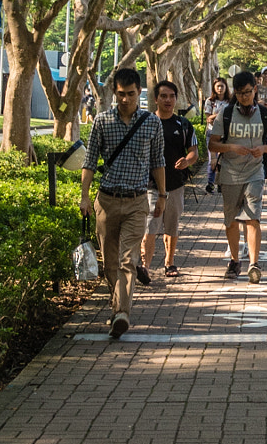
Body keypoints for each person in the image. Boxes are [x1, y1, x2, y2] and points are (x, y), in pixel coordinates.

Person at [79, 66, 166, 338]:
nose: (125, 99)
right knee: (110, 263)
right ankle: (116, 306)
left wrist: (162, 195)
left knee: (128, 260)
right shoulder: (102, 121)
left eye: (130, 94)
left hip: (137, 201)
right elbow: (90, 161)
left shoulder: (152, 122)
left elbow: (158, 162)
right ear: (113, 93)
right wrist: (84, 195)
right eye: (120, 94)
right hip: (106, 200)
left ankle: (122, 314)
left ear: (139, 91)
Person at [209, 70, 267, 282]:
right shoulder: (226, 114)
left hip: (254, 173)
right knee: (231, 221)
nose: (244, 97)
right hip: (229, 174)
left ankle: (254, 264)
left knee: (253, 218)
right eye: (239, 93)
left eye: (247, 92)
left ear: (254, 90)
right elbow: (212, 143)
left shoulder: (266, 115)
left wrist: (263, 150)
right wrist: (230, 147)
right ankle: (234, 259)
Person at [142, 79, 198, 277]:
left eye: (171, 96)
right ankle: (145, 267)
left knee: (172, 225)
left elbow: (194, 151)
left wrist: (187, 161)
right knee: (150, 225)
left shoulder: (183, 125)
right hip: (150, 185)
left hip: (175, 184)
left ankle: (169, 263)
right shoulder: (146, 123)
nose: (168, 100)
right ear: (156, 99)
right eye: (163, 96)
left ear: (176, 99)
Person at [202, 75, 231, 193]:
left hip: (225, 134)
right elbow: (208, 119)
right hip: (212, 133)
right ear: (214, 87)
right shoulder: (210, 101)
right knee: (212, 160)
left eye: (222, 86)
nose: (220, 88)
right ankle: (210, 183)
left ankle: (220, 183)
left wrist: (219, 116)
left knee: (223, 160)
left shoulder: (230, 101)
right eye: (218, 86)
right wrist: (220, 114)